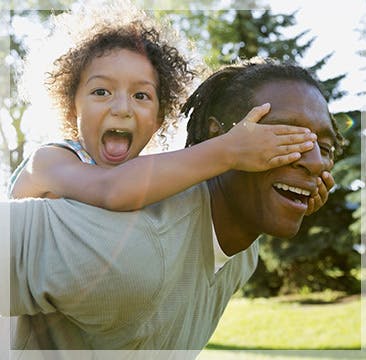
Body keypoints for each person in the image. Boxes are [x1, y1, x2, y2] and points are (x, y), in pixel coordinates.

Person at [5, 58, 343, 351]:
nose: (315, 162)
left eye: (325, 148)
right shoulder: (130, 245)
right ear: (219, 138)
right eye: (284, 137)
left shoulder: (243, 254)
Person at [7, 2, 317, 211]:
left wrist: (293, 193)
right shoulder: (49, 161)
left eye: (141, 96)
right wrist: (230, 149)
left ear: (158, 118)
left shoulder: (149, 178)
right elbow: (110, 190)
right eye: (101, 91)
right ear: (72, 107)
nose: (122, 108)